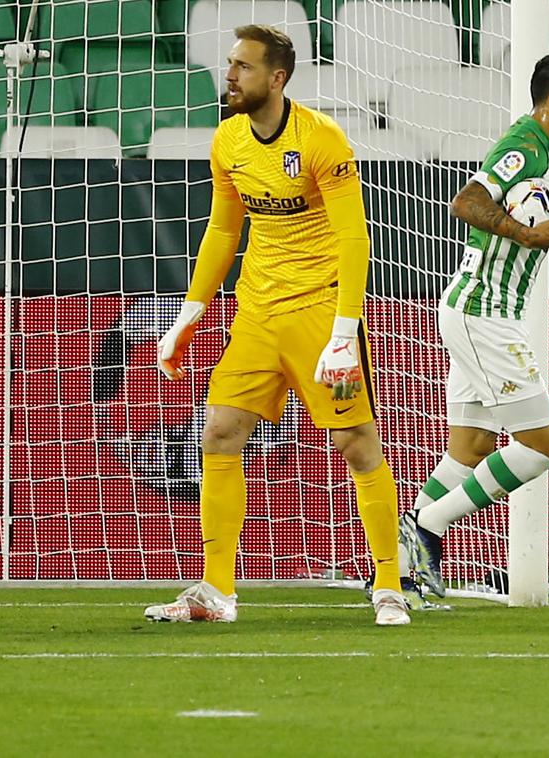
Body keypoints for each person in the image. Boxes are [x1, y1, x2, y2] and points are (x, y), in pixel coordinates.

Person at [144, 25, 410, 627]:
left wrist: (346, 329)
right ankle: (216, 591)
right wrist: (190, 311)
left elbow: (353, 236)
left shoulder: (322, 139)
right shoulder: (229, 139)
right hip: (258, 313)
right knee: (218, 433)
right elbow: (222, 230)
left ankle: (390, 583)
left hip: (320, 313)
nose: (230, 75)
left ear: (277, 78)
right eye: (230, 64)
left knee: (354, 442)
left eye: (242, 66)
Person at [397, 53, 549, 598]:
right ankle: (427, 528)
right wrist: (524, 233)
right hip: (483, 311)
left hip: (481, 311)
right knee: (540, 445)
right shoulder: (523, 148)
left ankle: (398, 567)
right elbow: (467, 201)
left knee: (472, 445)